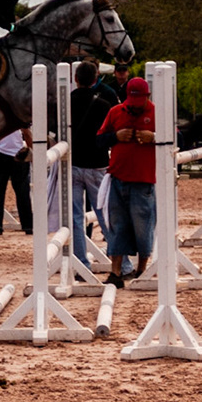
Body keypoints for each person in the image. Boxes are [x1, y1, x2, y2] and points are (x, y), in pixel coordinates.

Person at [97, 77, 157, 287]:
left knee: (143, 226)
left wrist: (154, 137)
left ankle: (141, 269)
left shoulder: (157, 112)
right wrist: (116, 136)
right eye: (132, 103)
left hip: (144, 180)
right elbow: (99, 140)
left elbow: (179, 140)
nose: (135, 108)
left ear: (147, 97)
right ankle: (115, 273)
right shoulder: (115, 112)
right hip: (118, 178)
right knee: (117, 226)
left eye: (139, 103)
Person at [68, 61, 115, 266]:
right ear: (95, 80)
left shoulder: (66, 102)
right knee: (104, 215)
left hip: (73, 162)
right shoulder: (104, 105)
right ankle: (121, 263)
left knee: (75, 217)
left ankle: (80, 262)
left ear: (75, 79)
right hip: (97, 163)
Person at [0, 127, 32, 236]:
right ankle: (28, 226)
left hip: (0, 153)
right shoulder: (19, 115)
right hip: (17, 153)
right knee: (22, 192)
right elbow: (27, 133)